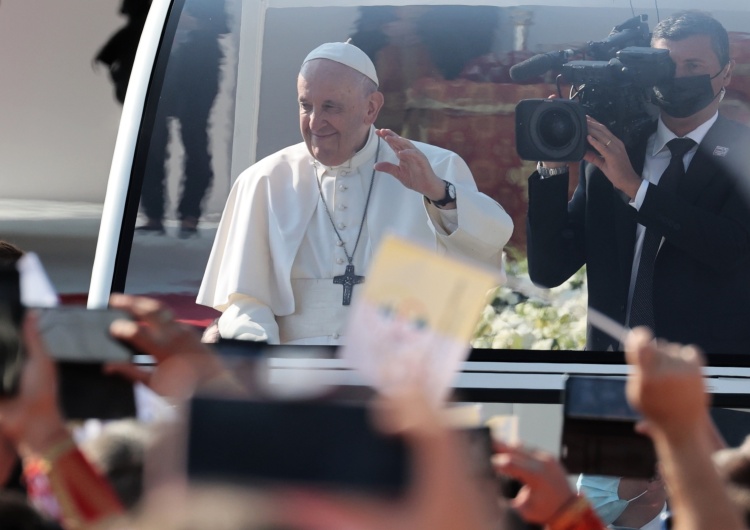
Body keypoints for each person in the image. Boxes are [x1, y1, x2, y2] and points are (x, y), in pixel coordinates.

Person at [197, 40, 514, 345]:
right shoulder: (264, 180)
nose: (315, 122)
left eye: (330, 107)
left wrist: (437, 193)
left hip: (399, 371)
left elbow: (481, 267)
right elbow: (245, 300)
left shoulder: (435, 168)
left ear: (371, 108)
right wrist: (259, 358)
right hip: (292, 375)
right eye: (305, 106)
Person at [526, 10, 750, 354]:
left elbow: (730, 250)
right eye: (666, 65)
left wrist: (635, 189)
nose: (677, 76)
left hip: (704, 379)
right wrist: (553, 166)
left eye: (694, 66)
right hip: (609, 376)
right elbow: (549, 269)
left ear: (726, 72)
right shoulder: (616, 152)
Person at [137, 0, 229, 237]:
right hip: (160, 69)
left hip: (199, 70)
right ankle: (154, 215)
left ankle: (190, 216)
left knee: (195, 142)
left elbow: (222, 23)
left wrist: (191, 22)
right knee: (151, 146)